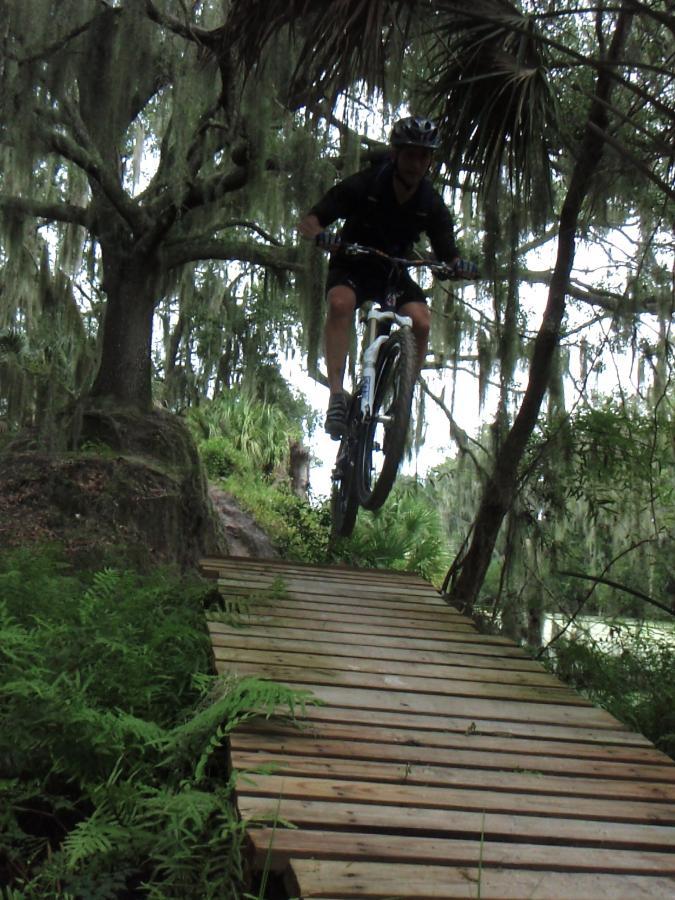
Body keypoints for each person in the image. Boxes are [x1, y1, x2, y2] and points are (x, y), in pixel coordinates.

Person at [298, 115, 476, 439]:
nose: (416, 163)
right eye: (410, 154)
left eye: (424, 156)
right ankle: (337, 395)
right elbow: (312, 219)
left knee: (421, 321)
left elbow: (448, 250)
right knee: (340, 302)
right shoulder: (365, 184)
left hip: (392, 272)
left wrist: (458, 265)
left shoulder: (430, 203)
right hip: (352, 263)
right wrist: (321, 235)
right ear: (395, 154)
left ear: (430, 161)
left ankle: (401, 399)